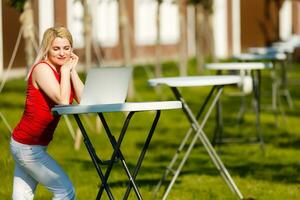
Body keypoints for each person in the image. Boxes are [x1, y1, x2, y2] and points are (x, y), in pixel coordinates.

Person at [10, 26, 84, 200]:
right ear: (47, 49)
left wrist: (72, 70)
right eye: (56, 48)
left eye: (66, 48)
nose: (62, 53)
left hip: (30, 145)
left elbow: (84, 100)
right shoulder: (42, 69)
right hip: (27, 146)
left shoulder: (63, 71)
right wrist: (66, 71)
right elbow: (63, 101)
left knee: (22, 197)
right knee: (65, 191)